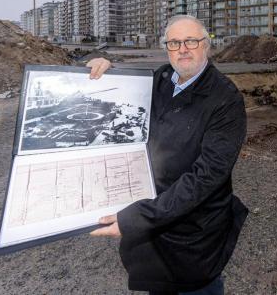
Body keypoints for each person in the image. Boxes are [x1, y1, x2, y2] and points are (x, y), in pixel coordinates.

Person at [87, 15, 248, 295]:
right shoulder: (162, 78)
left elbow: (205, 178)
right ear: (167, 48)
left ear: (206, 45)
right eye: (174, 43)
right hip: (156, 223)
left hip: (195, 233)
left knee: (195, 287)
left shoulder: (226, 100)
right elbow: (126, 97)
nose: (183, 48)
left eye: (191, 41)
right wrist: (108, 68)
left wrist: (138, 218)